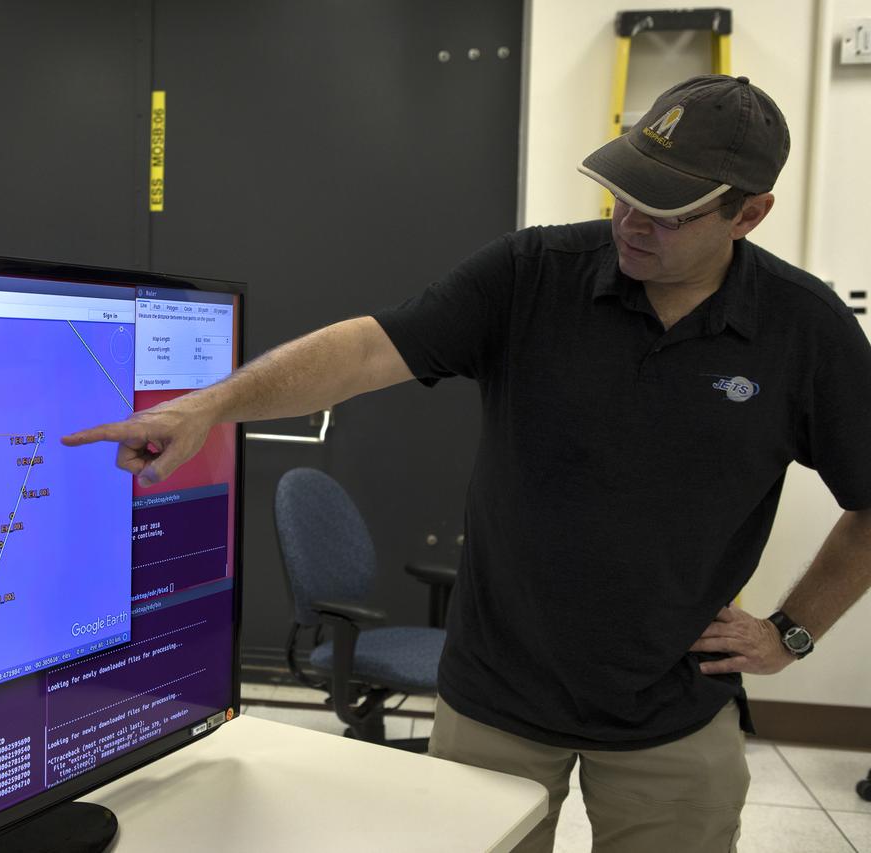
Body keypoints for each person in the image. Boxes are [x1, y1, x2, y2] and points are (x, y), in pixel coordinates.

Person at [63, 74, 871, 852]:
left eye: (666, 212)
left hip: (673, 714)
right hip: (494, 702)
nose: (630, 221)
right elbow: (365, 349)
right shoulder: (533, 273)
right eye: (625, 192)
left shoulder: (806, 331)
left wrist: (791, 632)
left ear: (748, 214)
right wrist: (208, 405)